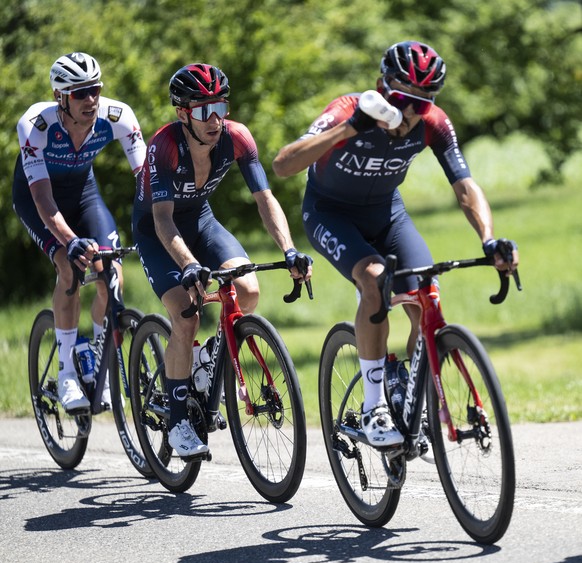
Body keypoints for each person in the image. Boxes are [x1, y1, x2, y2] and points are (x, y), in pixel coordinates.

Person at [272, 40, 519, 447]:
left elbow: (465, 185)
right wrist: (350, 129)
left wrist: (489, 239)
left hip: (388, 214)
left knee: (427, 293)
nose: (408, 112)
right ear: (380, 88)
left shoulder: (433, 123)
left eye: (420, 104)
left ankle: (407, 392)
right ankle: (374, 409)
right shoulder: (347, 110)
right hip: (329, 213)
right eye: (401, 99)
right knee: (373, 278)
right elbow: (283, 164)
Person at [132, 63, 312, 459]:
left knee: (246, 289)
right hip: (157, 232)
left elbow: (265, 199)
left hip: (200, 221)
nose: (214, 119)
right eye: (202, 111)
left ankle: (208, 359)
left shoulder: (237, 138)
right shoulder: (163, 147)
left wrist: (288, 249)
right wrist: (188, 264)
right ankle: (178, 419)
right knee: (185, 313)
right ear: (183, 113)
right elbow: (162, 220)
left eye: (220, 107)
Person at [12, 52, 146, 413]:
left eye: (95, 90)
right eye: (80, 93)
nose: (90, 100)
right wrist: (70, 242)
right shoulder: (36, 125)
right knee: (70, 267)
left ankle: (101, 364)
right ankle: (67, 370)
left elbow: (148, 181)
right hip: (38, 199)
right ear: (60, 97)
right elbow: (42, 197)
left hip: (84, 194)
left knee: (112, 275)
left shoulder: (117, 116)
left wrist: (156, 225)